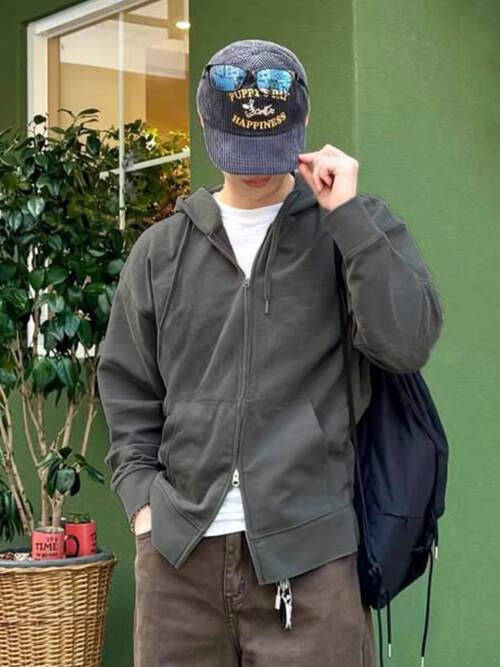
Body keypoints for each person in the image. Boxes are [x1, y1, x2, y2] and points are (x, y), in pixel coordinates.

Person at [97, 38, 444, 667]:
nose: (254, 169)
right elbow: (127, 387)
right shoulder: (160, 252)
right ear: (208, 128)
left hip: (312, 564)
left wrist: (349, 219)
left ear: (301, 125)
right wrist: (143, 503)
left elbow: (407, 343)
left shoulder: (352, 228)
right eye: (239, 149)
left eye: (269, 149)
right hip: (178, 564)